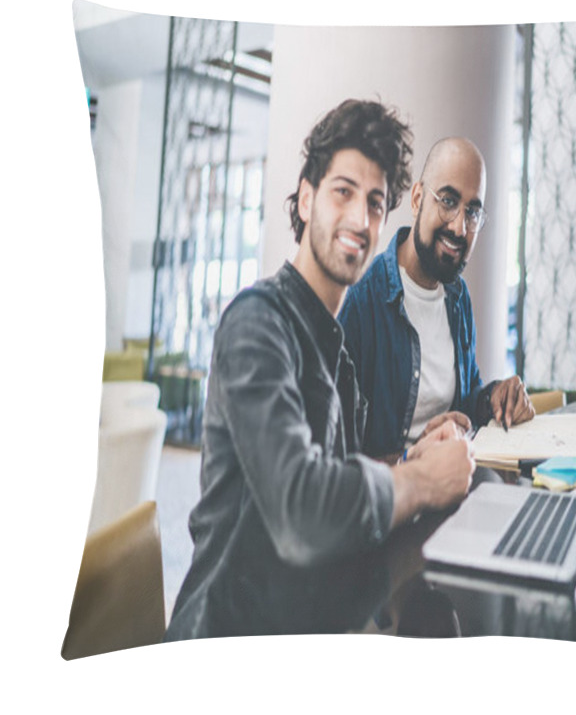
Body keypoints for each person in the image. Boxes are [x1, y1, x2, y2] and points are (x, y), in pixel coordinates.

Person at [164, 101, 475, 641]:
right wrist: (420, 481)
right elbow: (302, 510)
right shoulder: (258, 323)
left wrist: (411, 456)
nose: (361, 218)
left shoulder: (336, 353)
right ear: (306, 198)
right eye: (343, 192)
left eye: (376, 203)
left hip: (311, 618)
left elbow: (341, 481)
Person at [339, 136, 535, 461]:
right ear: (417, 199)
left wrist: (494, 397)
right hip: (393, 498)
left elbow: (464, 402)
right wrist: (413, 458)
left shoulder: (457, 296)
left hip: (453, 489)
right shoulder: (361, 300)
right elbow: (339, 454)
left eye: (472, 212)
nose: (459, 227)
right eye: (447, 201)